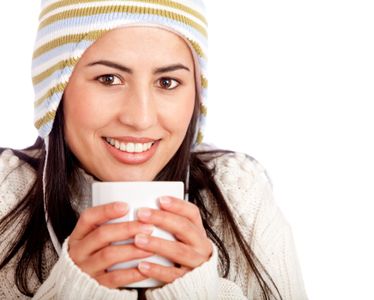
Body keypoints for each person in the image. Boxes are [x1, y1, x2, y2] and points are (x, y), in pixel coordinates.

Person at [0, 0, 307, 299]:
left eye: (168, 82)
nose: (140, 118)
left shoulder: (239, 195)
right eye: (109, 79)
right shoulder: (4, 194)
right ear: (55, 90)